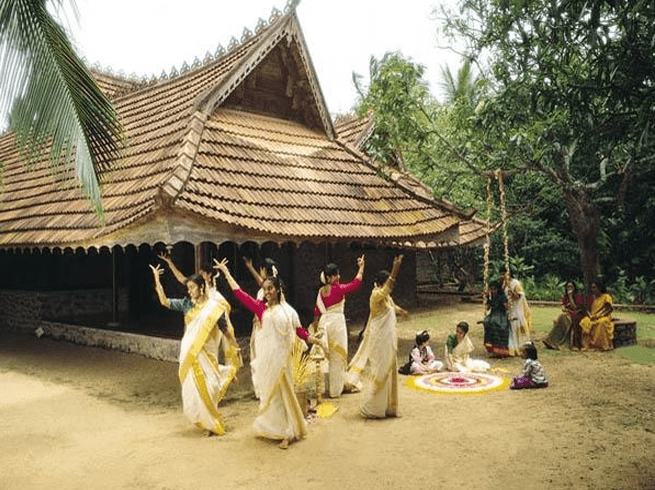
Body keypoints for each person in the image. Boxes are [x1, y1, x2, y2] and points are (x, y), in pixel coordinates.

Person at [214, 258, 307, 449]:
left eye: (270, 289)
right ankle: (275, 429)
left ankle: (288, 432)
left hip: (283, 362)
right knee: (270, 397)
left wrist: (314, 340)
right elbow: (240, 295)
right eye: (265, 290)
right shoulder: (261, 308)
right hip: (268, 361)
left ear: (278, 289)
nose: (267, 292)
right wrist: (227, 273)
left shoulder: (288, 311)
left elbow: (299, 330)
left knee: (284, 395)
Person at [150, 261, 240, 436]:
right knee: (195, 388)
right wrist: (156, 279)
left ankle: (212, 417)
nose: (189, 291)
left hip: (209, 354)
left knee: (211, 386)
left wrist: (235, 346)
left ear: (201, 287)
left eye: (192, 288)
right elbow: (164, 301)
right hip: (190, 352)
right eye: (188, 288)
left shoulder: (214, 308)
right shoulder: (186, 304)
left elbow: (225, 330)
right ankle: (208, 423)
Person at [352, 255, 404, 419]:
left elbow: (391, 305)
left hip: (388, 340)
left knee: (389, 371)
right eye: (389, 281)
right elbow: (386, 290)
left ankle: (389, 407)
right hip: (379, 341)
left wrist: (402, 311)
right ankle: (374, 408)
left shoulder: (386, 297)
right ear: (382, 282)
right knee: (380, 371)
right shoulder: (376, 295)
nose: (392, 285)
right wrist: (395, 269)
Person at [310, 256, 365, 398]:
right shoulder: (338, 289)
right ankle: (335, 390)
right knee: (338, 358)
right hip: (337, 324)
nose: (338, 277)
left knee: (330, 358)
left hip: (325, 325)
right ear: (329, 277)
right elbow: (356, 283)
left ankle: (332, 388)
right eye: (336, 275)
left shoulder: (321, 292)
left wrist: (317, 331)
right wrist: (361, 267)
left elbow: (316, 313)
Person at [543, 281, 586, 350]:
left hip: (577, 313)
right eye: (568, 287)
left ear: (574, 287)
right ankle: (551, 341)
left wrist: (571, 297)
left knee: (566, 320)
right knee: (560, 318)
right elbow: (563, 305)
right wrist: (564, 308)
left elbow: (575, 307)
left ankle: (568, 342)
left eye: (571, 287)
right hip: (567, 313)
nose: (569, 288)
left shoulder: (578, 295)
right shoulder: (565, 295)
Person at [502, 265, 533, 356]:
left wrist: (511, 292)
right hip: (507, 309)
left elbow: (519, 297)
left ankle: (521, 348)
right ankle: (511, 348)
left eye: (504, 273)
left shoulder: (515, 283)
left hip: (516, 309)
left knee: (516, 325)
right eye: (502, 274)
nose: (503, 275)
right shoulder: (503, 284)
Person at [579, 281, 614, 351]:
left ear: (599, 288)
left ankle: (602, 345)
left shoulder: (606, 296)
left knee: (601, 322)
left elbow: (609, 309)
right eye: (592, 288)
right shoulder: (592, 298)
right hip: (593, 317)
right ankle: (587, 345)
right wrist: (590, 315)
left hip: (604, 316)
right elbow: (587, 309)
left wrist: (600, 315)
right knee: (584, 322)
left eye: (594, 287)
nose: (593, 289)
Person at [481, 281, 511, 357]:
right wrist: (486, 298)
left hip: (501, 315)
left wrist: (507, 304)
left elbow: (507, 307)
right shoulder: (491, 296)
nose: (492, 291)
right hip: (493, 314)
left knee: (494, 323)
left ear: (498, 289)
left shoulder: (502, 296)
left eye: (494, 289)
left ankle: (500, 349)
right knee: (486, 322)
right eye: (491, 289)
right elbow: (488, 308)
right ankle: (490, 344)